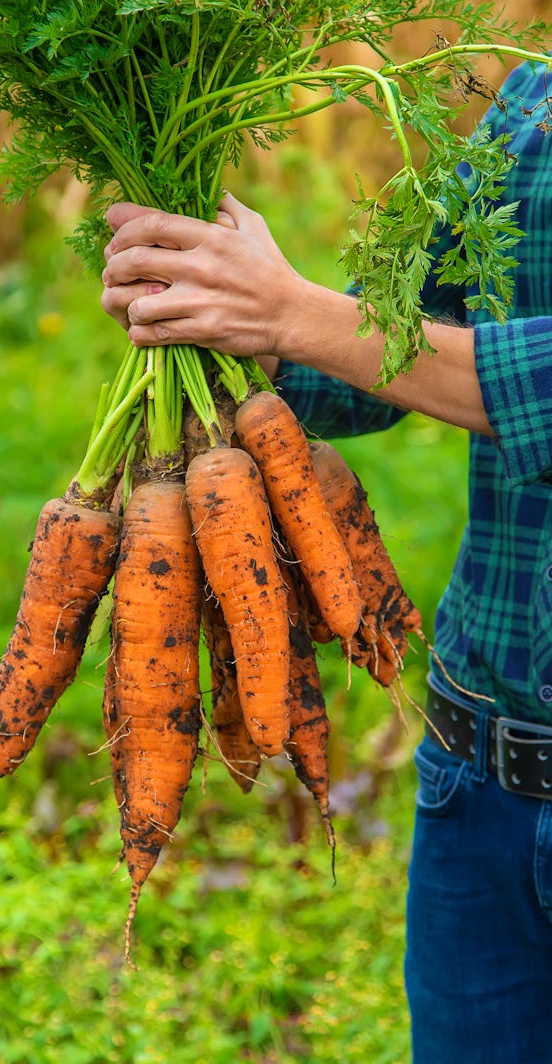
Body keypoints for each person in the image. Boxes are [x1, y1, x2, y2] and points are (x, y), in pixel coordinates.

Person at [100, 58, 552, 1064]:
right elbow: (387, 354)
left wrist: (292, 311)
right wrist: (224, 319)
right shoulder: (529, 107)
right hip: (477, 780)